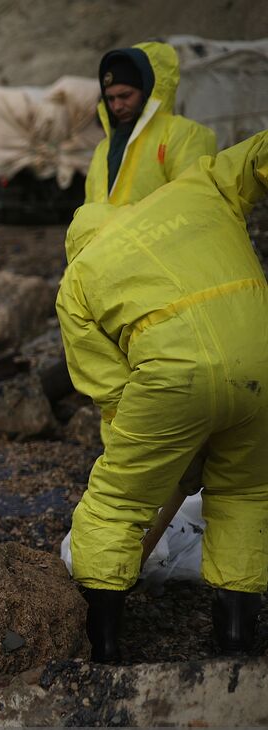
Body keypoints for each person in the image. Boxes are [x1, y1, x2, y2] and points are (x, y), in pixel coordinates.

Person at [58, 129, 268, 663]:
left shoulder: (78, 278)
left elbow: (108, 387)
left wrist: (164, 457)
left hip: (174, 374)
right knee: (245, 494)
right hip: (261, 358)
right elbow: (256, 156)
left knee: (116, 502)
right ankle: (236, 642)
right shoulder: (197, 187)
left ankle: (103, 648)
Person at [83, 41, 216, 207]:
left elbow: (194, 203)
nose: (117, 106)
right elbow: (89, 209)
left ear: (146, 91)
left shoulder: (184, 134)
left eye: (125, 96)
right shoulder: (103, 150)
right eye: (110, 99)